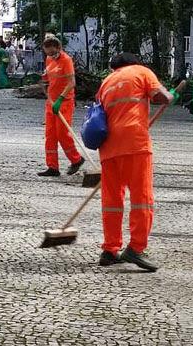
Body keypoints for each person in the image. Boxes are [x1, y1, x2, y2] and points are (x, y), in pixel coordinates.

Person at [95, 52, 175, 272]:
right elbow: (162, 97)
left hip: (108, 146)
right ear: (135, 63)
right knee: (142, 199)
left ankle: (110, 249)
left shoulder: (106, 82)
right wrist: (171, 94)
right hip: (135, 144)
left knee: (112, 201)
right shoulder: (142, 72)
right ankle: (136, 248)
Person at [39, 36, 85, 177]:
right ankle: (52, 167)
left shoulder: (66, 60)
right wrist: (44, 83)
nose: (51, 55)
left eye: (52, 52)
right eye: (48, 53)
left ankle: (76, 159)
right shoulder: (49, 60)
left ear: (58, 48)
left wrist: (60, 98)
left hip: (64, 102)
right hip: (51, 102)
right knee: (50, 135)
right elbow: (47, 78)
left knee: (62, 133)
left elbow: (72, 82)